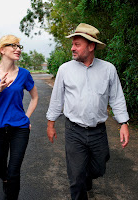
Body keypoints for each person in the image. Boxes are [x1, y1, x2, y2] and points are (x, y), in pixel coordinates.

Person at [46, 23, 129, 200]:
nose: (72, 48)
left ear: (91, 46)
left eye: (77, 44)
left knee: (98, 167)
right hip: (73, 130)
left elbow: (116, 97)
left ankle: (87, 176)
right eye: (72, 44)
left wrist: (123, 123)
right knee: (76, 179)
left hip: (98, 131)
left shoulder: (108, 69)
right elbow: (57, 99)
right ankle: (81, 182)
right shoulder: (65, 69)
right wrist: (51, 123)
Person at [0, 35, 38, 200]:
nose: (18, 49)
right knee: (0, 171)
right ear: (2, 50)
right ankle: (6, 181)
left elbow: (35, 98)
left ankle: (10, 194)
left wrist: (26, 118)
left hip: (19, 129)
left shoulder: (25, 74)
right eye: (13, 45)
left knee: (14, 171)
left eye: (19, 46)